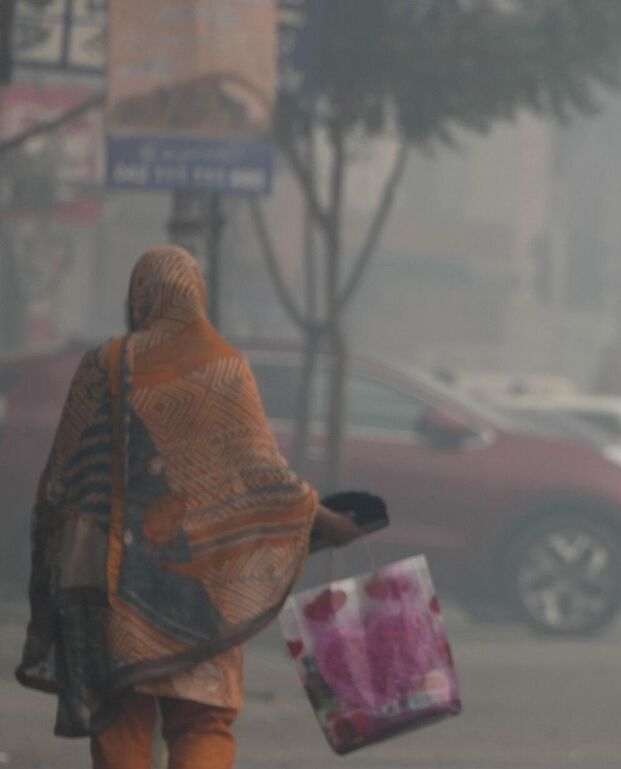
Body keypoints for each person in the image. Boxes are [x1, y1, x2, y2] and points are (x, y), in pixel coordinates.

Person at [15, 246, 362, 769]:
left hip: (113, 589)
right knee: (203, 720)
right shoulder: (224, 370)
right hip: (202, 587)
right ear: (194, 295)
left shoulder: (101, 366)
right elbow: (263, 474)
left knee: (120, 715)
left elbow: (62, 478)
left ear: (139, 297)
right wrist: (327, 519)